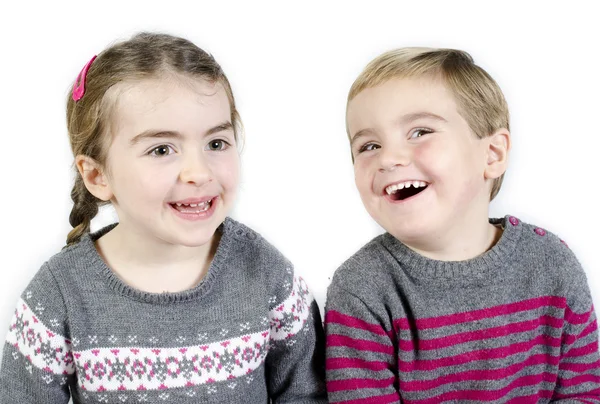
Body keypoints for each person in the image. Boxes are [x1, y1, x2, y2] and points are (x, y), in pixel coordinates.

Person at [0, 32, 326, 403]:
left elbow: (307, 392)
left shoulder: (267, 274)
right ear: (97, 176)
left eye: (216, 143)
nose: (198, 172)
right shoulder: (57, 296)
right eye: (161, 149)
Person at [325, 47, 600, 403]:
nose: (388, 158)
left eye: (420, 131)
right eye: (369, 145)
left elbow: (582, 392)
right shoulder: (361, 290)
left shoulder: (553, 265)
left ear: (492, 154)